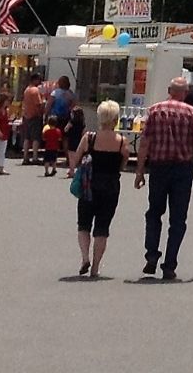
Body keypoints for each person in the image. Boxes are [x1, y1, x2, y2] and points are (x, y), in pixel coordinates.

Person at [134, 77, 193, 280]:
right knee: (178, 219)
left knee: (154, 213)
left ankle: (151, 255)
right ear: (185, 94)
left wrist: (140, 170)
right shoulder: (191, 112)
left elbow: (145, 143)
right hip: (183, 170)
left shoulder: (154, 110)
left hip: (158, 168)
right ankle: (169, 264)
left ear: (169, 90)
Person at [72, 100, 131, 278]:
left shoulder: (89, 138)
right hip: (111, 185)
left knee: (83, 224)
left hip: (89, 185)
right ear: (115, 119)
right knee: (102, 227)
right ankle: (95, 267)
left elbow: (76, 160)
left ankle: (84, 257)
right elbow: (124, 163)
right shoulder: (122, 142)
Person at [19, 74, 46, 167]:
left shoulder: (27, 90)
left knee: (27, 137)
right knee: (35, 138)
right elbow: (38, 104)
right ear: (35, 80)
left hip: (26, 116)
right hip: (35, 116)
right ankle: (35, 157)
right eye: (39, 80)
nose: (40, 82)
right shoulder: (35, 90)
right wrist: (42, 111)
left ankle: (25, 157)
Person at [63, 105, 88, 178]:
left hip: (72, 140)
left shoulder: (71, 122)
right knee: (78, 156)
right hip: (79, 140)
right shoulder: (82, 123)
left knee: (71, 157)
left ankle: (71, 170)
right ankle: (76, 170)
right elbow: (84, 133)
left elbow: (66, 129)